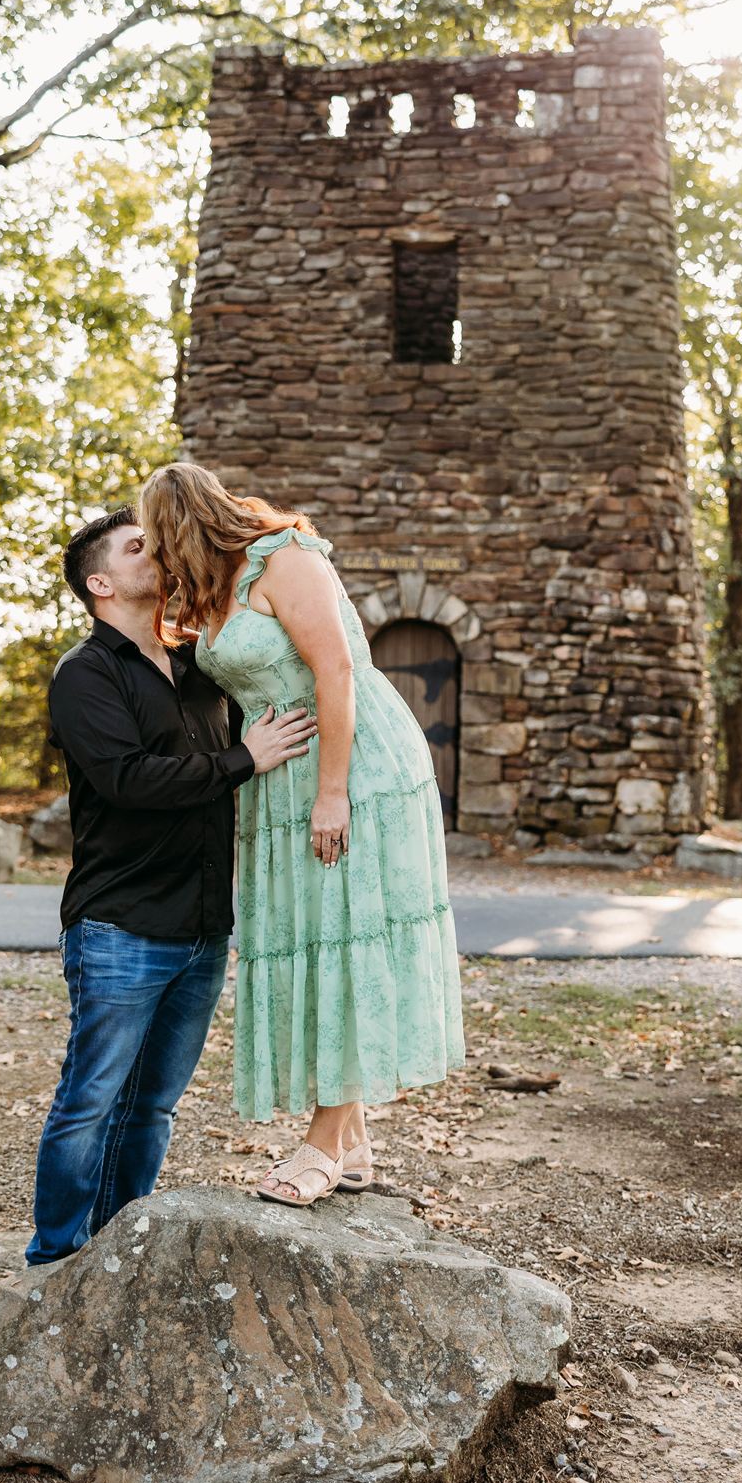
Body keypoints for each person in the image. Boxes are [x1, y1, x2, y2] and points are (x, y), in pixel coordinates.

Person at [138, 463, 465, 1207]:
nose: (154, 556)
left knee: (347, 940)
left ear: (179, 525)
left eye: (154, 540)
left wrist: (331, 792)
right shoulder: (215, 590)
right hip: (278, 780)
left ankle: (321, 1143)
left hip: (353, 768)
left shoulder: (285, 557)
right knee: (318, 940)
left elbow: (337, 670)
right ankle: (353, 1145)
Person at [25, 504, 314, 1265]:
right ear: (100, 583)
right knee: (89, 1101)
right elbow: (127, 780)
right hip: (119, 925)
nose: (152, 550)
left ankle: (117, 1256)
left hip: (202, 927)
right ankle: (53, 1263)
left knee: (152, 1108)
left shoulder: (196, 665)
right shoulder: (84, 674)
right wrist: (243, 759)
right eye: (134, 547)